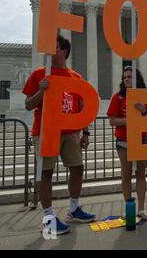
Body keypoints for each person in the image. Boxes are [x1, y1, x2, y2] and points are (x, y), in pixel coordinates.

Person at [23, 35, 95, 236]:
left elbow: (82, 107)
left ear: (64, 51)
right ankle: (48, 218)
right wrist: (41, 91)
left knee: (77, 169)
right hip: (46, 131)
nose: (49, 51)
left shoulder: (75, 77)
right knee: (45, 173)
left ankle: (73, 209)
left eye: (53, 47)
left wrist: (86, 132)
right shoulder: (39, 74)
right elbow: (28, 105)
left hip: (71, 132)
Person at [107, 66, 147, 220]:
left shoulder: (145, 97)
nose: (126, 79)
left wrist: (143, 111)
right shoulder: (118, 97)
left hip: (142, 139)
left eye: (129, 77)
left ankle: (141, 209)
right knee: (126, 174)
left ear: (136, 79)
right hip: (123, 141)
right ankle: (128, 208)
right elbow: (112, 121)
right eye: (124, 77)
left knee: (141, 174)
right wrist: (128, 120)